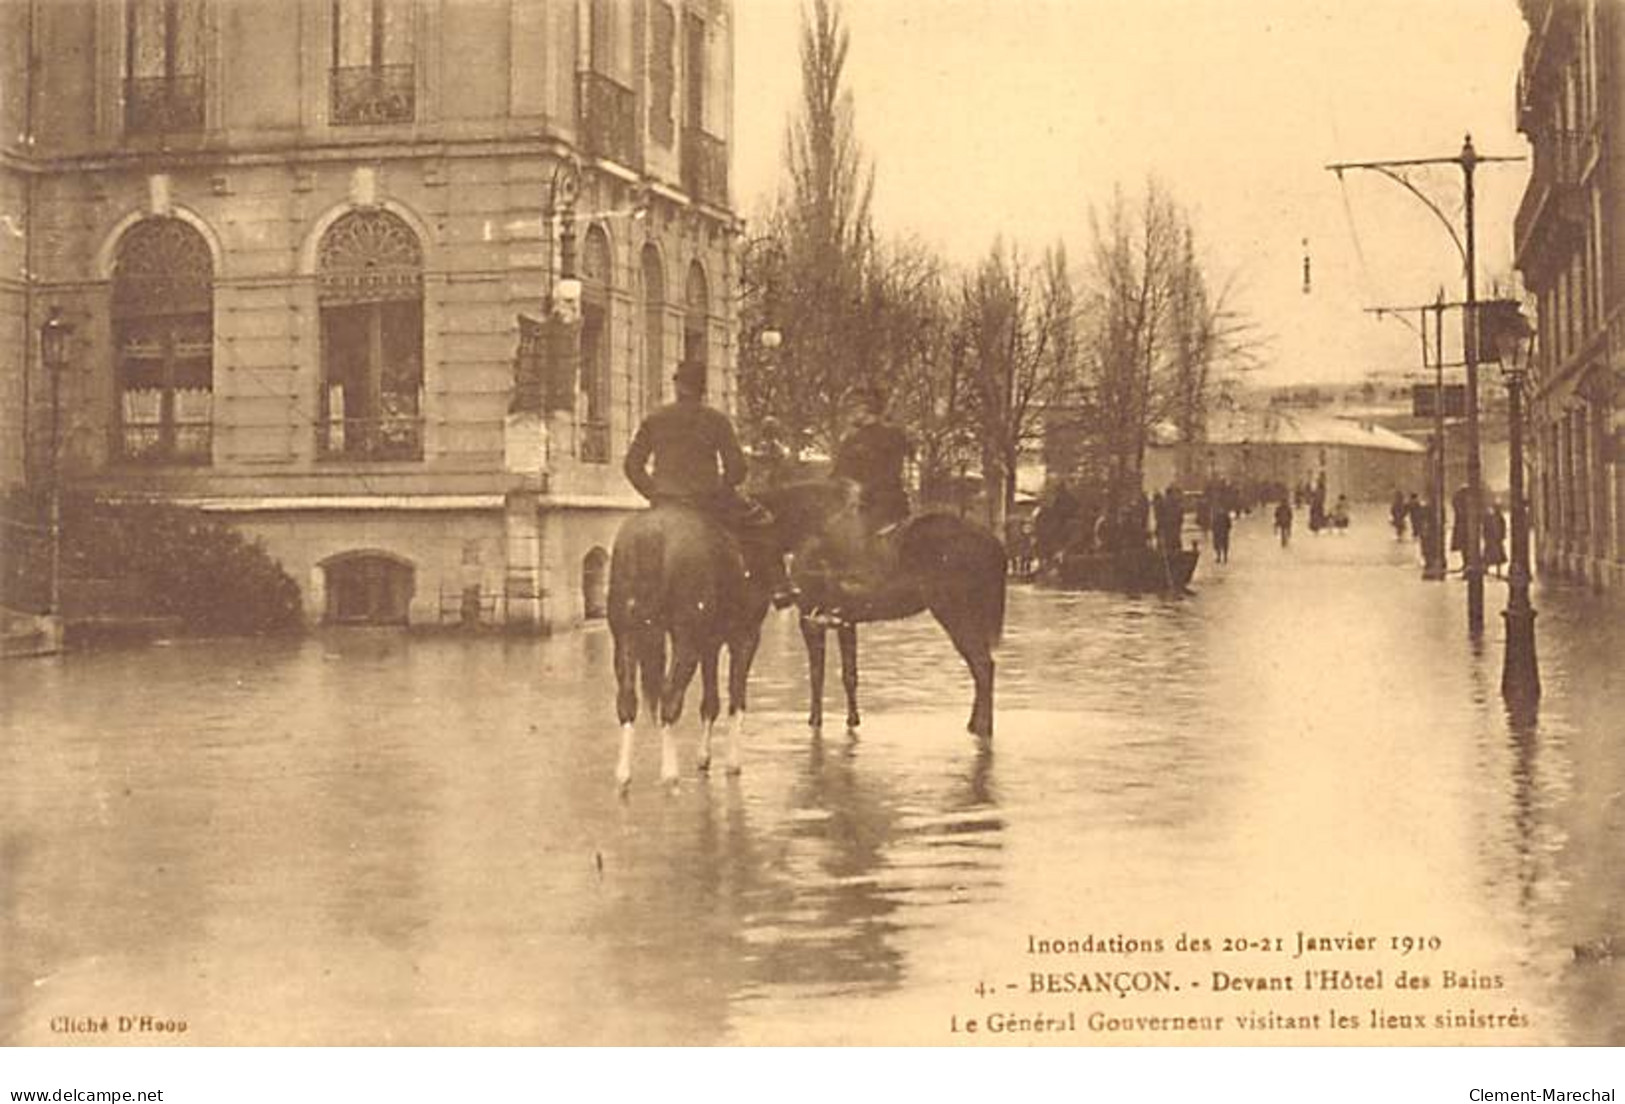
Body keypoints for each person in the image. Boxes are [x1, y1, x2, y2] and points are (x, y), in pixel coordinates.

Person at [623, 359, 797, 608]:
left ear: (677, 385)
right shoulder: (716, 419)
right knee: (763, 523)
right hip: (706, 501)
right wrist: (720, 490)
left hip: (664, 501)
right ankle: (780, 586)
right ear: (703, 389)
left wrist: (656, 493)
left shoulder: (655, 418)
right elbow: (737, 469)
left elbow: (632, 465)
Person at [831, 385, 913, 532]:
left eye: (852, 409)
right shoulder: (850, 440)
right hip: (850, 506)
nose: (848, 415)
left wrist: (862, 489)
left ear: (865, 408)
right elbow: (838, 473)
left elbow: (892, 474)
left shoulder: (892, 436)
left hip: (885, 506)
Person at [1484, 503, 1508, 578]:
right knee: (1490, 556)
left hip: (1496, 540)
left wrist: (1502, 536)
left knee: (1496, 557)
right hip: (1493, 540)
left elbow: (1503, 528)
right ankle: (1487, 569)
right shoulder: (1491, 518)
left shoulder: (1499, 518)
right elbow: (1486, 529)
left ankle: (1497, 571)